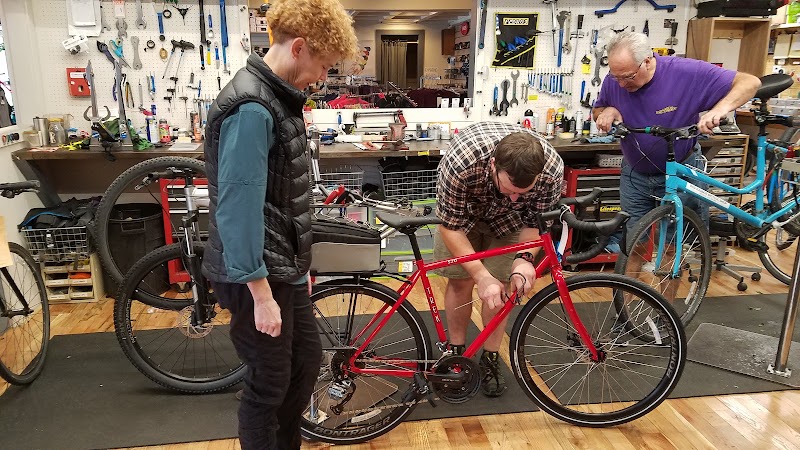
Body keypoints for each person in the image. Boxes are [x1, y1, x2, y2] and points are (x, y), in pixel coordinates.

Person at [201, 1, 357, 449]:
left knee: (306, 363)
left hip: (279, 266)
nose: (323, 77)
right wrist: (261, 292)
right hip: (254, 274)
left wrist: (296, 271)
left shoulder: (276, 98)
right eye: (323, 65)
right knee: (268, 385)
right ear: (300, 47)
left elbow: (279, 198)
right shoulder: (252, 107)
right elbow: (237, 208)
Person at [434, 122, 564, 397]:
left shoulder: (551, 172)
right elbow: (450, 226)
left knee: (502, 286)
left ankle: (490, 357)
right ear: (493, 165)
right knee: (461, 282)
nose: (516, 198)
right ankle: (457, 354)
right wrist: (480, 275)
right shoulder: (461, 164)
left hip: (511, 224)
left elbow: (533, 220)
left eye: (523, 193)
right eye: (508, 189)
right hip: (463, 219)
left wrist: (524, 259)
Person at [592, 31, 761, 233]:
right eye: (615, 76)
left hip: (682, 171)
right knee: (632, 242)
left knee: (675, 244)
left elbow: (750, 82)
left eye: (628, 77)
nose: (620, 84)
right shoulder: (616, 78)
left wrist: (719, 110)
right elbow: (598, 110)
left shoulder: (687, 72)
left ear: (647, 61)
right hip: (634, 174)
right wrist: (607, 111)